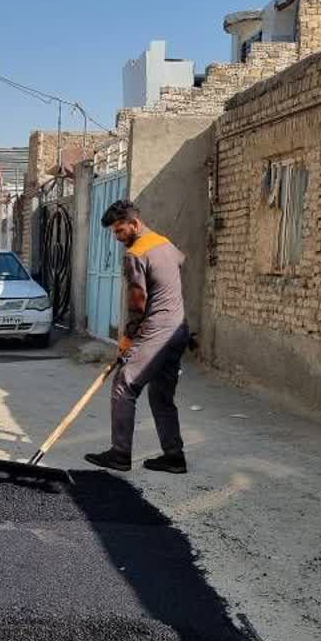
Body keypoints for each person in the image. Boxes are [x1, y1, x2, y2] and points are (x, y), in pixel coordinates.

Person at [85, 200, 190, 475]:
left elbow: (138, 301)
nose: (118, 237)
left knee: (124, 385)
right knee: (161, 395)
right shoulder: (165, 244)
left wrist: (129, 337)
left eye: (120, 231)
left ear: (134, 223)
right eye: (115, 233)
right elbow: (181, 262)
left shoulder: (136, 253)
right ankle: (174, 456)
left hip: (156, 331)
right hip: (179, 329)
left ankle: (119, 454)